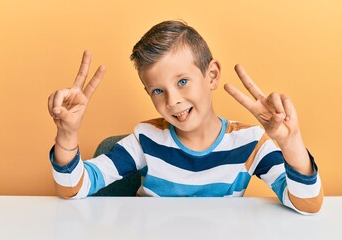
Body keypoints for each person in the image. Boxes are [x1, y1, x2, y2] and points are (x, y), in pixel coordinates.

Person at [47, 20, 323, 214]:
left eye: (182, 82)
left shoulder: (250, 143)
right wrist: (68, 133)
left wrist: (291, 143)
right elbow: (74, 187)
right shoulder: (146, 140)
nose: (172, 100)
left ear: (211, 75)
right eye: (158, 90)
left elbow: (307, 204)